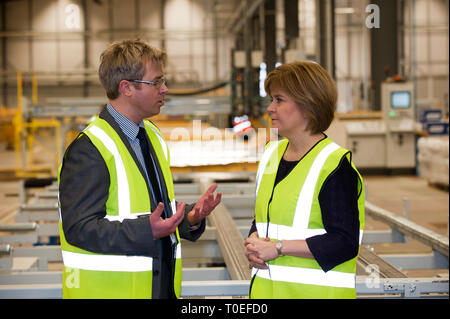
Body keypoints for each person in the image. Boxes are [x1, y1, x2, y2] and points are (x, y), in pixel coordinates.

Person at [58, 39, 222, 299]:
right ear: (127, 88)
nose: (165, 89)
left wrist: (188, 217)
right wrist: (148, 230)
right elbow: (79, 228)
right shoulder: (90, 148)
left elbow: (149, 211)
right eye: (156, 82)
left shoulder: (152, 137)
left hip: (158, 287)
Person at [244, 61, 365, 299]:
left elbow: (345, 242)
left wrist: (278, 248)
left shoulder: (335, 166)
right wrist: (254, 242)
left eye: (279, 99)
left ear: (308, 105)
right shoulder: (271, 155)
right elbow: (266, 218)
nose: (270, 108)